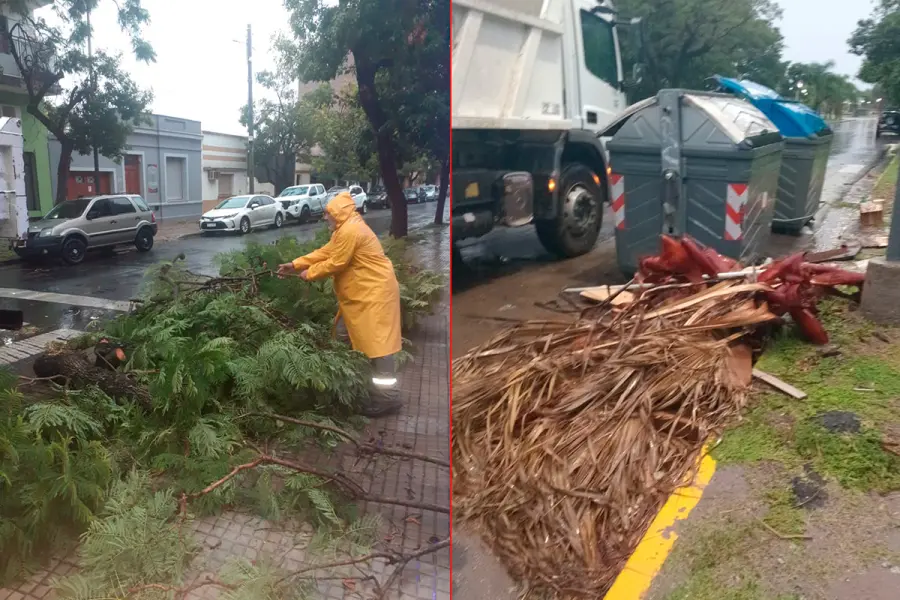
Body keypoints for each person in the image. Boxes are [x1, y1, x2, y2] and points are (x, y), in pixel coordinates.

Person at [277, 192, 403, 417]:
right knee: (344, 337)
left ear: (338, 213)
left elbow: (337, 262)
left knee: (379, 346)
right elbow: (327, 252)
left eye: (328, 214)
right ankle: (349, 384)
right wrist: (295, 264)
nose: (326, 218)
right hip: (362, 296)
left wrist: (309, 274)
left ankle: (388, 399)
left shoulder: (351, 230)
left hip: (375, 295)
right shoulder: (344, 229)